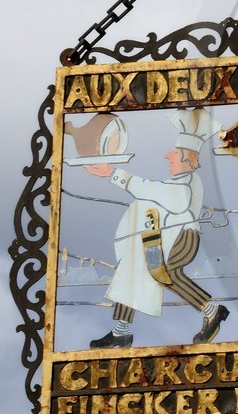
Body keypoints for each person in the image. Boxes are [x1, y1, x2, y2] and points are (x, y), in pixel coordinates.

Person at [85, 108, 228, 348]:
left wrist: (115, 175)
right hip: (163, 238)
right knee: (132, 269)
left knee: (167, 273)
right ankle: (122, 331)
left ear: (185, 157)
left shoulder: (186, 182)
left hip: (182, 239)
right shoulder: (179, 182)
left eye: (172, 153)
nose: (166, 156)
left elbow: (167, 196)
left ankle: (213, 310)